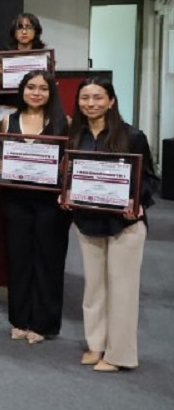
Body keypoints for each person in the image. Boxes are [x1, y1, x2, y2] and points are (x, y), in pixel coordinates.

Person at [66, 78, 157, 372]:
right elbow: (68, 173)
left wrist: (137, 201)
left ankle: (120, 355)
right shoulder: (75, 135)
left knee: (122, 290)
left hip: (124, 225)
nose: (90, 104)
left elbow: (150, 178)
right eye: (85, 98)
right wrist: (66, 194)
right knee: (94, 288)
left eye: (97, 98)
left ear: (111, 101)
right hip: (88, 221)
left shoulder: (132, 135)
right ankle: (97, 345)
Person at [0, 70, 70, 344]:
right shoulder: (7, 120)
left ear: (51, 93)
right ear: (22, 90)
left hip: (51, 204)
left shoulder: (63, 123)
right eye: (31, 87)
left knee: (48, 261)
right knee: (19, 260)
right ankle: (20, 319)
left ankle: (43, 323)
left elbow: (72, 164)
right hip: (16, 201)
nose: (36, 93)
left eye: (43, 88)